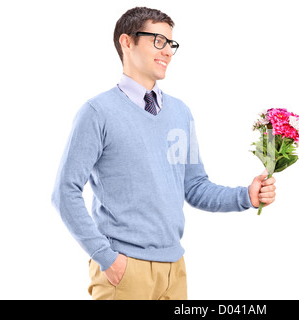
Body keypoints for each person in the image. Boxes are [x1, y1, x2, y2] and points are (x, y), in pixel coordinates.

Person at [51, 6, 276, 300]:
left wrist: (246, 196)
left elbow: (194, 187)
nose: (167, 51)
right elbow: (64, 192)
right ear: (126, 42)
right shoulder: (97, 112)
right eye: (157, 40)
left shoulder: (180, 113)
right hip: (124, 271)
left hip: (174, 269)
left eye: (170, 43)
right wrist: (106, 257)